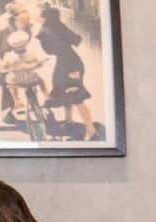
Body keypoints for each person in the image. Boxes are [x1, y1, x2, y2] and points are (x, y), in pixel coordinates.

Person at [36, 3, 97, 140]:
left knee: (77, 97)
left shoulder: (46, 31)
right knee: (64, 92)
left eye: (40, 14)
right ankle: (69, 122)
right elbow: (76, 39)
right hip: (68, 62)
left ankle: (90, 129)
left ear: (45, 18)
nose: (37, 16)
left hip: (70, 65)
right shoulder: (57, 27)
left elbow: (49, 50)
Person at [0, 2, 33, 128]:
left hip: (13, 61)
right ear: (15, 17)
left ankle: (7, 113)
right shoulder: (2, 27)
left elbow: (26, 40)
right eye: (24, 14)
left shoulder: (27, 25)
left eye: (27, 13)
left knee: (9, 87)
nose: (27, 17)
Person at [0, 30, 49, 120]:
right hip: (31, 79)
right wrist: (38, 65)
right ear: (26, 44)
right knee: (41, 81)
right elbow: (40, 62)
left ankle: (16, 101)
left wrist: (7, 68)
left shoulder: (8, 55)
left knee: (10, 83)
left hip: (17, 81)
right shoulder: (31, 53)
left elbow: (3, 68)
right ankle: (47, 95)